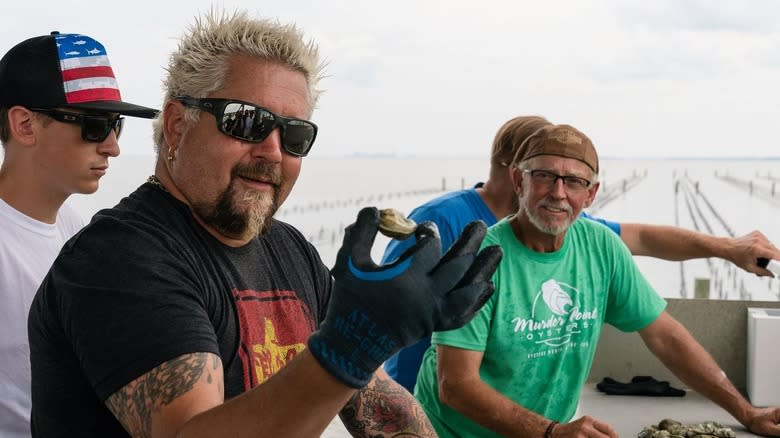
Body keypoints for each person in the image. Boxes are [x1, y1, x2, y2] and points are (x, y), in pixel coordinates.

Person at [27, 10, 501, 438]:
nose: (273, 151)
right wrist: (350, 346)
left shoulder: (290, 250)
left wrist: (376, 333)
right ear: (176, 125)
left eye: (294, 135)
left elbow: (381, 409)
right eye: (246, 121)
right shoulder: (119, 258)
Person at [413, 123, 780, 437]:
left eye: (574, 181)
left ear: (590, 194)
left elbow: (666, 337)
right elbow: (455, 386)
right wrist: (551, 431)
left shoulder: (601, 247)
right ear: (518, 181)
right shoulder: (480, 259)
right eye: (544, 176)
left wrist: (746, 413)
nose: (558, 193)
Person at [0, 31, 157, 437]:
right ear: (25, 124)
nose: (112, 146)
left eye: (116, 125)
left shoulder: (74, 228)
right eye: (94, 125)